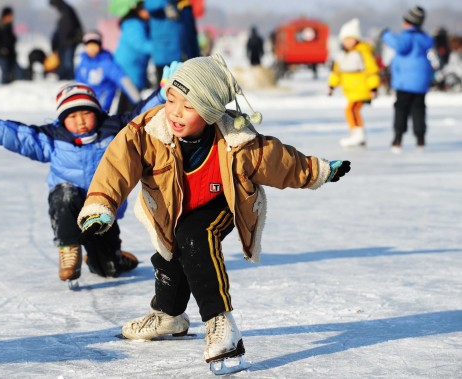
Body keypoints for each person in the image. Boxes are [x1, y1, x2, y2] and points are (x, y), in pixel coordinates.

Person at [77, 53, 351, 372]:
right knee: (169, 256)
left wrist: (316, 171)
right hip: (169, 209)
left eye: (189, 106)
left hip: (220, 204)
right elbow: (116, 166)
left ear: (209, 112)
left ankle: (221, 325)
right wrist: (102, 205)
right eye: (171, 99)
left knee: (195, 236)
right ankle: (169, 316)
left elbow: (279, 162)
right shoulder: (147, 131)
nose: (175, 112)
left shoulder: (238, 139)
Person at [0, 80, 170, 284]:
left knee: (107, 270)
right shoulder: (53, 138)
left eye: (86, 113)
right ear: (62, 119)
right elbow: (21, 136)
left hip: (102, 211)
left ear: (97, 112)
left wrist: (162, 93)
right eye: (72, 116)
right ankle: (69, 249)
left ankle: (112, 258)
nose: (80, 121)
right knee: (65, 193)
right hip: (67, 204)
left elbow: (141, 114)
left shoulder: (114, 130)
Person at [381, 6, 434, 153]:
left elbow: (400, 47)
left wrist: (385, 35)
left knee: (401, 109)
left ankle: (397, 139)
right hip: (420, 81)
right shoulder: (424, 37)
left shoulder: (406, 36)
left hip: (405, 82)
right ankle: (420, 139)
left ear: (409, 22)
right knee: (419, 109)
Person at [328, 18, 380, 148]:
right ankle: (357, 134)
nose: (348, 42)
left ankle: (358, 134)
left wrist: (373, 87)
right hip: (350, 91)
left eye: (350, 39)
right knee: (352, 110)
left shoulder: (362, 52)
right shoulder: (343, 55)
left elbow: (371, 70)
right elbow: (337, 72)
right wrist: (331, 86)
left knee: (351, 109)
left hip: (362, 89)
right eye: (345, 39)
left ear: (356, 39)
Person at [75, 30, 141, 113]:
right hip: (86, 104)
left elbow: (123, 80)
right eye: (89, 45)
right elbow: (79, 83)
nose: (92, 48)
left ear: (100, 46)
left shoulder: (107, 63)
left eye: (95, 45)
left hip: (101, 108)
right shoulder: (83, 63)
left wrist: (138, 100)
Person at [114, 1, 153, 112]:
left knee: (128, 96)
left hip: (134, 65)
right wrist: (158, 48)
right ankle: (124, 123)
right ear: (139, 10)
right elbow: (140, 44)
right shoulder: (133, 24)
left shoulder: (139, 23)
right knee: (130, 97)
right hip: (129, 66)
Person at [49, 0, 83, 81]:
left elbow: (68, 30)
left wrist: (72, 40)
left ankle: (69, 81)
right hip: (63, 44)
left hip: (68, 44)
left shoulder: (67, 11)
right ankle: (65, 80)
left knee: (68, 65)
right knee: (65, 64)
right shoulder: (64, 12)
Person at [0, 6, 18, 84]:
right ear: (5, 16)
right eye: (10, 16)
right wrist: (3, 48)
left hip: (11, 54)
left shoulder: (9, 26)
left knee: (14, 75)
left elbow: (11, 39)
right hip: (3, 55)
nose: (11, 18)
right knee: (5, 75)